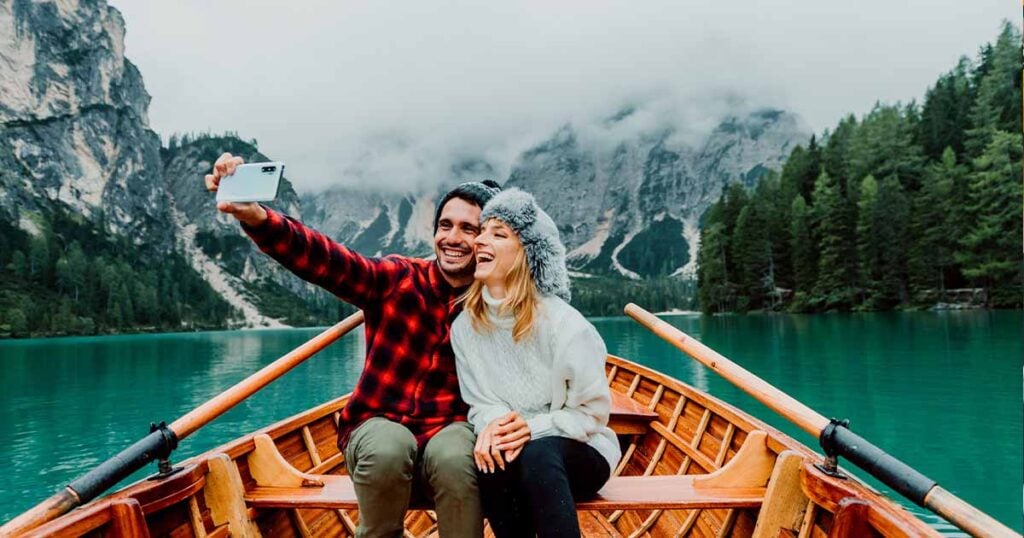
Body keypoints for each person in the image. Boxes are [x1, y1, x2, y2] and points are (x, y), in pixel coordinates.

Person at [205, 153, 501, 538]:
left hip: (450, 432)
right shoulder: (397, 278)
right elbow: (324, 258)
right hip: (377, 428)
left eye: (469, 228)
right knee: (389, 446)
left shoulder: (499, 304)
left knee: (456, 454)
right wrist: (258, 218)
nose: (453, 238)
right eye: (445, 225)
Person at [450, 188, 621, 538]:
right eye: (482, 231)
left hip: (583, 451)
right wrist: (495, 428)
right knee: (490, 460)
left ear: (528, 254)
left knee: (537, 455)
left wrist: (531, 429)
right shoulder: (464, 327)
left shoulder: (566, 326)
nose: (480, 241)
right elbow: (480, 402)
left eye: (498, 234)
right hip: (519, 450)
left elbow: (592, 416)